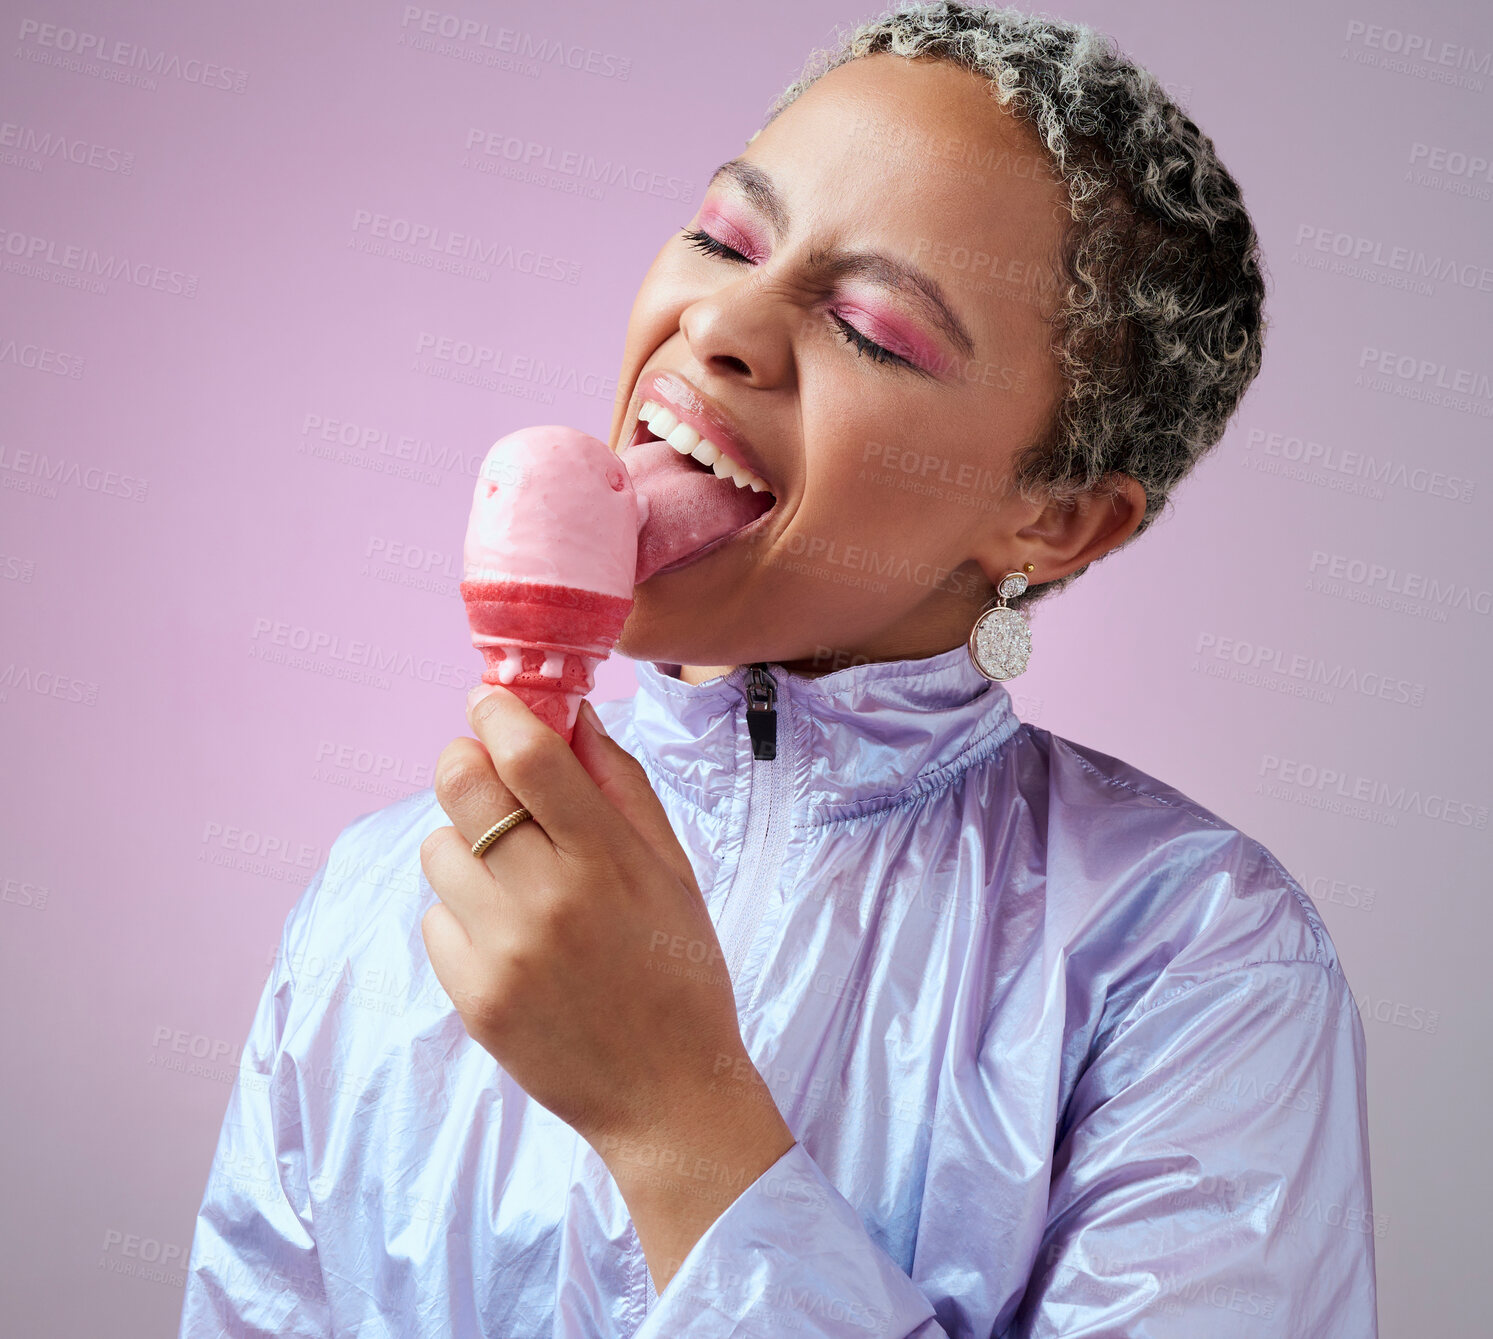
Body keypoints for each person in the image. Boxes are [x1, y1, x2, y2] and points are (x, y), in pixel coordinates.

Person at [178, 3, 1378, 1335]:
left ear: (1051, 518)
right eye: (724, 236)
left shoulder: (1195, 958)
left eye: (872, 325)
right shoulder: (374, 899)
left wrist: (676, 1115)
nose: (724, 321)